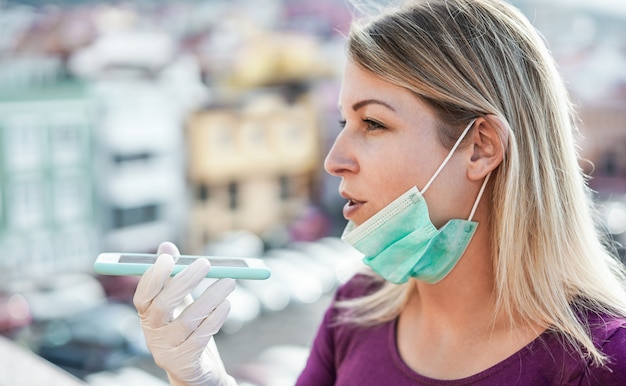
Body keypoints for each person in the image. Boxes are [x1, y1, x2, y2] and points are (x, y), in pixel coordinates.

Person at [132, 0, 626, 385]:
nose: (333, 160)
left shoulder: (604, 364)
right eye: (344, 120)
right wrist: (201, 379)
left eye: (372, 122)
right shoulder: (354, 313)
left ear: (480, 148)